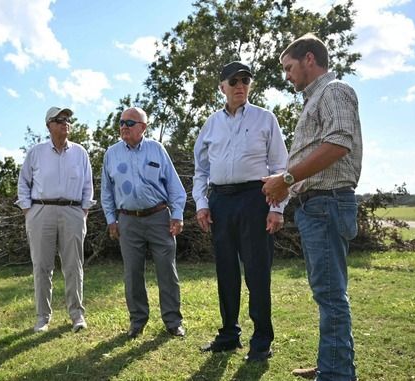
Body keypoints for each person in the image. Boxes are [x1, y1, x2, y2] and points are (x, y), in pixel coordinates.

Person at [262, 33, 362, 381]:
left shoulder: (334, 92)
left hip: (326, 204)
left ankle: (335, 375)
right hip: (317, 206)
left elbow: (338, 143)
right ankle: (333, 364)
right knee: (328, 292)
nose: (286, 75)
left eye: (289, 68)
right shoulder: (315, 99)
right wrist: (284, 180)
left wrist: (286, 180)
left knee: (331, 294)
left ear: (309, 59)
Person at [192, 61, 288, 361]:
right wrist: (203, 203)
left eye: (245, 80)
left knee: (257, 272)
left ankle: (261, 341)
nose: (240, 86)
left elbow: (280, 167)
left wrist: (278, 208)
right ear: (222, 87)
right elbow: (201, 170)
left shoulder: (265, 118)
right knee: (226, 271)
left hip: (255, 200)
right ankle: (229, 334)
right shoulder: (211, 124)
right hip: (221, 200)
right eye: (233, 81)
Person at [101, 106, 187, 339]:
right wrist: (111, 219)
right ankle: (137, 321)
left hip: (159, 218)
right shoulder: (111, 154)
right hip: (127, 220)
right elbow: (106, 192)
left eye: (129, 123)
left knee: (166, 271)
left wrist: (177, 215)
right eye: (121, 122)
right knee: (132, 273)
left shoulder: (156, 149)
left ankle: (173, 321)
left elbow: (174, 187)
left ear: (143, 127)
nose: (123, 127)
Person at [17, 106, 94, 333]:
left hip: (72, 211)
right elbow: (23, 182)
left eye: (68, 119)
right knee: (42, 266)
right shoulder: (36, 152)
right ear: (48, 125)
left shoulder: (80, 152)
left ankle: (77, 315)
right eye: (59, 119)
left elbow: (88, 185)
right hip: (41, 211)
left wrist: (84, 210)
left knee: (74, 265)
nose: (65, 123)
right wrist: (27, 210)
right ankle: (43, 317)